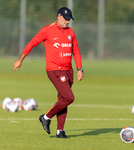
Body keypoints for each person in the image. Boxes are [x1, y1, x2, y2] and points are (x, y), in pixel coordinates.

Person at [13, 7, 84, 138]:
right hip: (55, 70)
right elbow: (32, 43)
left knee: (63, 99)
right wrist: (20, 60)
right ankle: (46, 117)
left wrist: (79, 69)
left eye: (69, 19)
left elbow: (76, 51)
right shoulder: (47, 30)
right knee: (69, 97)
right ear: (59, 16)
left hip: (69, 70)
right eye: (66, 19)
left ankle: (60, 131)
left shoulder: (70, 32)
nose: (68, 22)